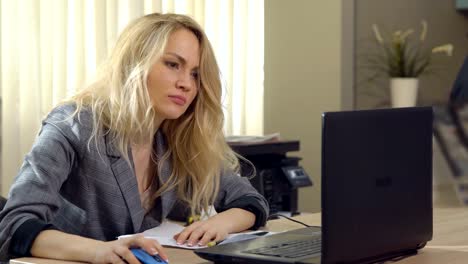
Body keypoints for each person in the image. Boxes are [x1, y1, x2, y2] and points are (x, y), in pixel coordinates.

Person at [0, 13, 269, 263]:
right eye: (173, 64)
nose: (187, 83)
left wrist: (220, 224)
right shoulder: (74, 124)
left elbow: (250, 201)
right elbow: (16, 224)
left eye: (196, 74)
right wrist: (99, 251)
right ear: (135, 64)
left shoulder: (179, 138)